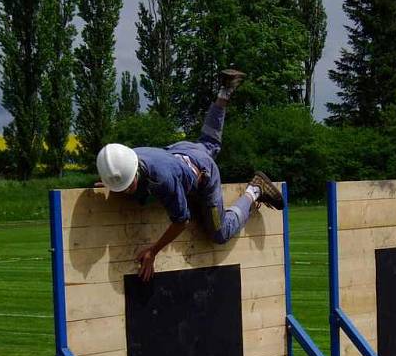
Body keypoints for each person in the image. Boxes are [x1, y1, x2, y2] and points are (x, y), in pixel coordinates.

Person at [96, 69, 283, 282]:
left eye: (130, 184)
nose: (128, 189)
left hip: (204, 175)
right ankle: (224, 91)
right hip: (184, 151)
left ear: (134, 171)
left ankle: (255, 189)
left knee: (220, 232)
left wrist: (153, 251)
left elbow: (181, 221)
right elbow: (122, 175)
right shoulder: (126, 157)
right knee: (209, 144)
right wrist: (113, 183)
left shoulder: (162, 180)